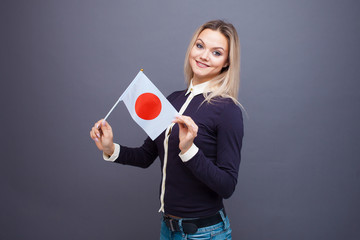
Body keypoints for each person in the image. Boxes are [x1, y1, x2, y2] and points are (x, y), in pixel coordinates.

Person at [90, 19, 244, 240]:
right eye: (199, 46)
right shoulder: (173, 100)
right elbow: (145, 156)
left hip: (205, 234)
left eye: (216, 52)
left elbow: (227, 186)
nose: (203, 56)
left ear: (227, 62)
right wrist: (110, 148)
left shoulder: (227, 110)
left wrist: (189, 150)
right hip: (169, 230)